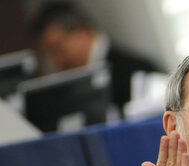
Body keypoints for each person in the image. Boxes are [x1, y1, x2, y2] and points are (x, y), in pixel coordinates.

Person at [29, 1, 160, 112]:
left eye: (58, 48)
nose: (58, 61)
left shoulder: (136, 72)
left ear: (83, 31)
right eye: (50, 54)